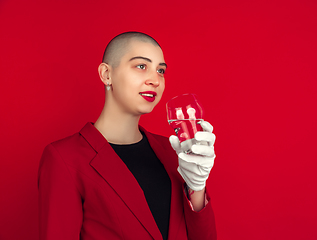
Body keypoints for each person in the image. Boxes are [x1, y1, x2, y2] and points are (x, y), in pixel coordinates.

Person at [38, 32, 217, 240]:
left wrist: (197, 188)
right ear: (106, 74)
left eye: (161, 70)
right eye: (141, 66)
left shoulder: (171, 151)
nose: (155, 80)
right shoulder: (64, 158)